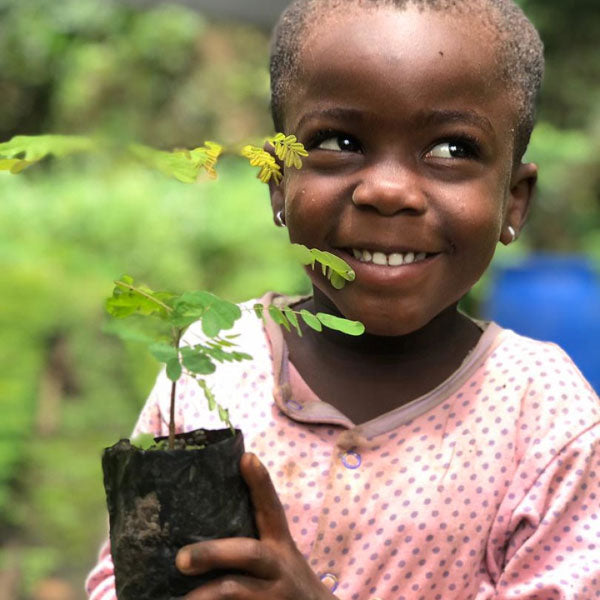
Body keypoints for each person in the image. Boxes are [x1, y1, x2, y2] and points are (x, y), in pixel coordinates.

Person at [86, 0, 600, 598]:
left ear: (513, 199)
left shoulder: (547, 417)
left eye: (452, 150)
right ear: (278, 180)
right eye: (339, 141)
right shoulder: (216, 362)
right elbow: (120, 577)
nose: (388, 191)